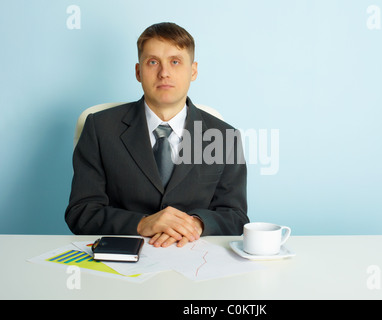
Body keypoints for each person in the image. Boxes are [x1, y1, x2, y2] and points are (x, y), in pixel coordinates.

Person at [65, 22, 248, 248]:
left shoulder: (224, 136)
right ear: (138, 71)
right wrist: (141, 224)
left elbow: (236, 216)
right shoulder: (99, 128)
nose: (164, 73)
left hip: (193, 259)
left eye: (175, 61)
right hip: (122, 263)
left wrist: (196, 224)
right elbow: (81, 212)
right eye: (153, 62)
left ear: (193, 71)